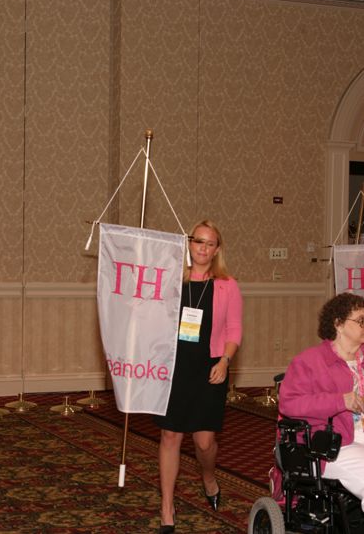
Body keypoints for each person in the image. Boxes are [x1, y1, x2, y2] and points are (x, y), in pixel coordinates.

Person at [154, 219, 243, 533]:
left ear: (217, 249)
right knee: (170, 436)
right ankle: (167, 507)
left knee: (204, 443)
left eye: (209, 243)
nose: (203, 248)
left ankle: (208, 475)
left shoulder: (226, 284)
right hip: (174, 367)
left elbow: (234, 328)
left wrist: (225, 360)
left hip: (209, 368)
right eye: (198, 241)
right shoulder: (170, 280)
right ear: (188, 243)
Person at [279, 292, 364, 511]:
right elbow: (289, 405)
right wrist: (339, 401)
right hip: (332, 445)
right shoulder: (310, 361)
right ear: (338, 324)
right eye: (361, 320)